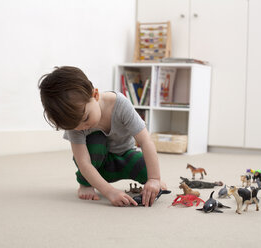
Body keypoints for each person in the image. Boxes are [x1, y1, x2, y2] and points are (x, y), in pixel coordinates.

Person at [38, 66, 165, 207]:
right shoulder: (74, 123)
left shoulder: (120, 104)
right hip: (95, 166)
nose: (81, 128)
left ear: (95, 95)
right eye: (74, 127)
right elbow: (84, 163)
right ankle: (85, 183)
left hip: (124, 157)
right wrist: (109, 192)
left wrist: (154, 178)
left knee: (147, 167)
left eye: (86, 119)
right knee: (96, 140)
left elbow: (145, 140)